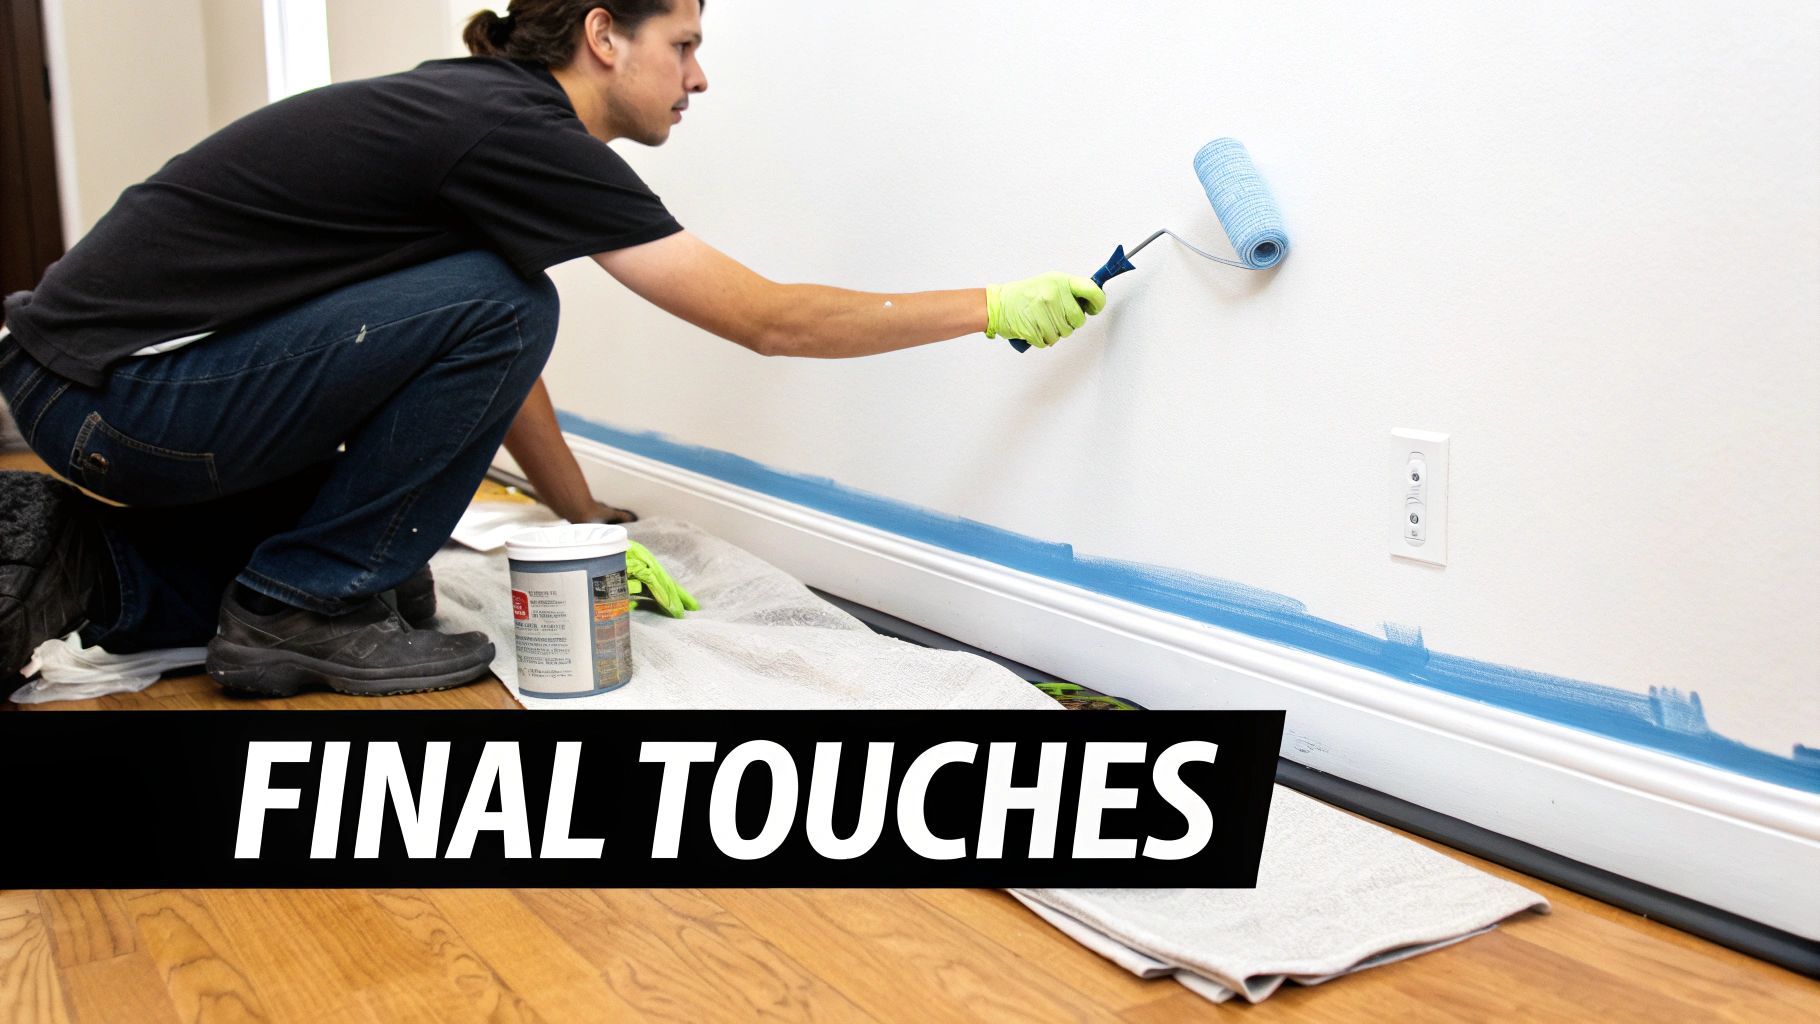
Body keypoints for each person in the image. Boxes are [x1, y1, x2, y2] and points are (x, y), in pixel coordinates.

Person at [0, 0, 1106, 698]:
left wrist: (580, 521)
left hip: (95, 393)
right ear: (600, 34)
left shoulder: (483, 116)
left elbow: (477, 358)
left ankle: (127, 576)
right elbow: (764, 320)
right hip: (118, 400)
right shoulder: (517, 132)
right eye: (685, 44)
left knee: (410, 563)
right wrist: (989, 303)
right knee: (494, 318)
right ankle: (298, 606)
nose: (700, 77)